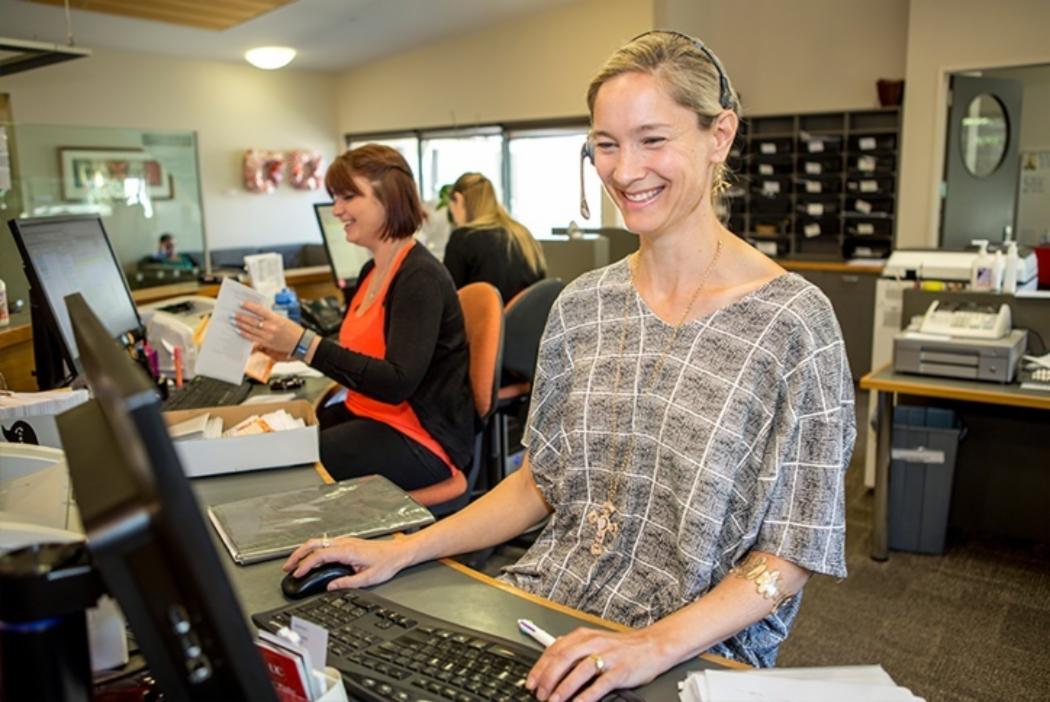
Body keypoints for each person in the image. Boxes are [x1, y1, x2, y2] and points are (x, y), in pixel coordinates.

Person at [282, 32, 855, 701]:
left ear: (719, 134)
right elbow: (543, 482)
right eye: (606, 145)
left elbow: (789, 556)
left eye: (652, 139)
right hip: (549, 610)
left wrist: (650, 646)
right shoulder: (584, 304)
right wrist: (405, 546)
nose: (624, 169)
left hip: (692, 651)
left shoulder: (794, 325)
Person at [233, 144, 475, 492]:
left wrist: (305, 344)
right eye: (336, 198)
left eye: (348, 197)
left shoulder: (419, 277)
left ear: (389, 198)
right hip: (369, 416)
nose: (337, 209)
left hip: (419, 438)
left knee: (283, 473)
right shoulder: (371, 271)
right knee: (269, 449)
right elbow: (364, 352)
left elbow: (396, 382)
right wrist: (292, 348)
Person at [443, 172, 546, 303]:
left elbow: (449, 299)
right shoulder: (522, 234)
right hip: (531, 321)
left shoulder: (463, 238)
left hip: (489, 322)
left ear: (458, 199)